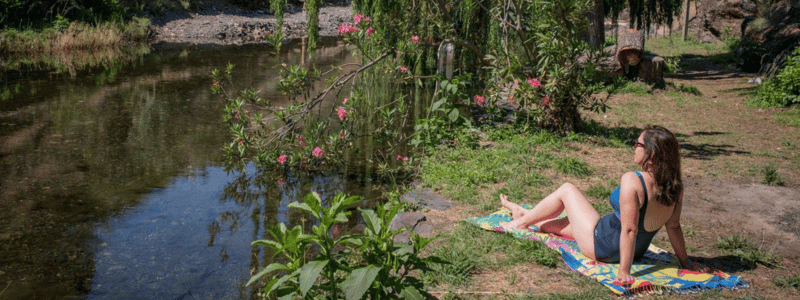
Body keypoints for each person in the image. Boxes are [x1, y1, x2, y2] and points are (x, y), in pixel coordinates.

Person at [499, 125, 707, 283]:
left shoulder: (633, 180)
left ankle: (519, 223)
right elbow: (673, 227)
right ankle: (524, 213)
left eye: (638, 144)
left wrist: (623, 272)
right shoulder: (675, 186)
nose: (634, 147)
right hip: (635, 250)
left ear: (651, 154)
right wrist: (685, 262)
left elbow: (629, 230)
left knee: (567, 189)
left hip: (602, 242)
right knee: (550, 226)